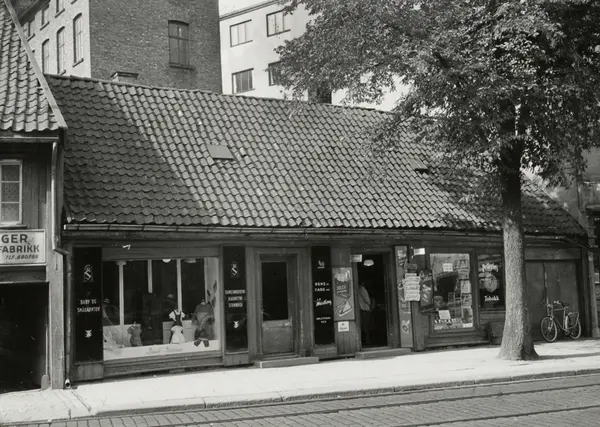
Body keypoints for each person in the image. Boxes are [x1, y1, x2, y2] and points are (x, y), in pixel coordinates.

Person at [359, 280, 375, 345]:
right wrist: (371, 305)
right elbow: (367, 300)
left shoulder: (357, 288)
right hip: (364, 309)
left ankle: (364, 340)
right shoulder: (362, 289)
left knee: (363, 325)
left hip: (360, 309)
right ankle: (367, 340)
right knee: (367, 326)